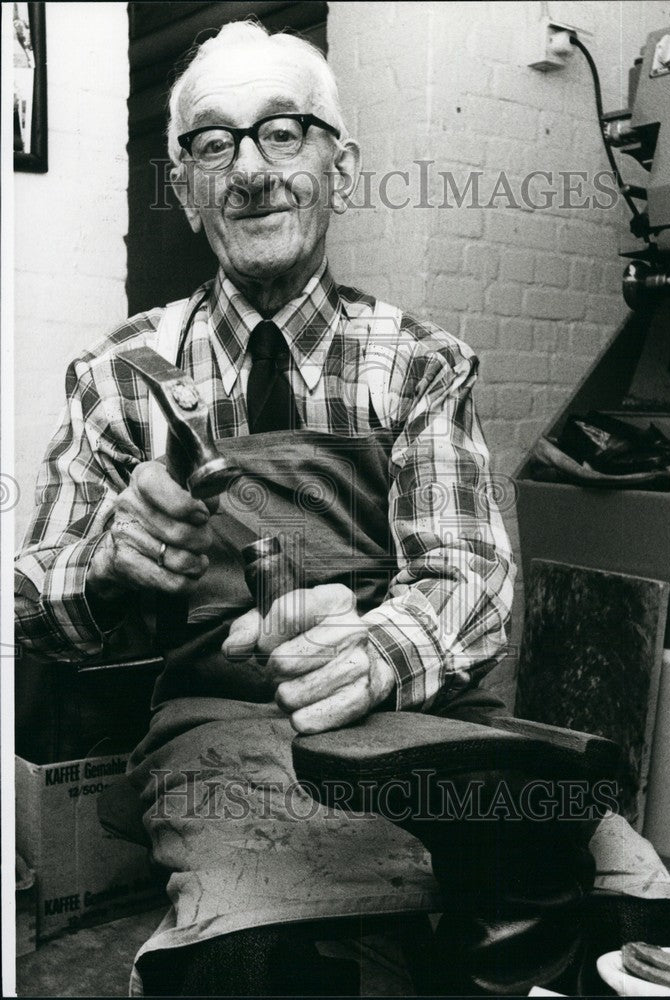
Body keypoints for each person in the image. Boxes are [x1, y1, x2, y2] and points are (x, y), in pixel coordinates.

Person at [15, 19, 517, 996]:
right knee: (254, 935)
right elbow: (32, 594)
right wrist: (107, 558)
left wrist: (378, 650)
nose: (251, 169)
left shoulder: (418, 366)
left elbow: (469, 583)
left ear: (342, 162)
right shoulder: (120, 378)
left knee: (570, 884)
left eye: (284, 131)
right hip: (223, 728)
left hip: (411, 713)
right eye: (214, 142)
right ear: (185, 185)